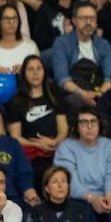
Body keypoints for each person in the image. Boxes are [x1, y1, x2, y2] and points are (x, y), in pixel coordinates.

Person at [53, 105, 111, 222]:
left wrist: (108, 197)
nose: (89, 127)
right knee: (85, 212)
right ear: (76, 126)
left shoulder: (110, 146)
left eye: (93, 121)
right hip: (78, 198)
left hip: (106, 196)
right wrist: (91, 198)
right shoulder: (66, 147)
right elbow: (69, 181)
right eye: (84, 122)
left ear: (99, 124)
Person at [6, 55, 69, 192]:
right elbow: (15, 137)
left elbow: (63, 129)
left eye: (38, 68)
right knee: (41, 169)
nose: (35, 73)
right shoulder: (16, 102)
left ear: (44, 72)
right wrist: (37, 145)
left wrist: (54, 142)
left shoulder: (54, 95)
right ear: (24, 74)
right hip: (31, 152)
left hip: (57, 148)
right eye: (30, 69)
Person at [51, 0, 111, 108]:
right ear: (74, 21)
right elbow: (62, 79)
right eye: (83, 18)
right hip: (74, 92)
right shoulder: (61, 43)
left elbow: (108, 78)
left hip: (98, 91)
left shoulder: (103, 44)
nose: (88, 22)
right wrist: (82, 93)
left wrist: (99, 93)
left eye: (92, 18)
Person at [0, 4, 39, 81]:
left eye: (14, 18)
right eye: (7, 18)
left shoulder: (30, 46)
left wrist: (26, 70)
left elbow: (39, 74)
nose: (11, 22)